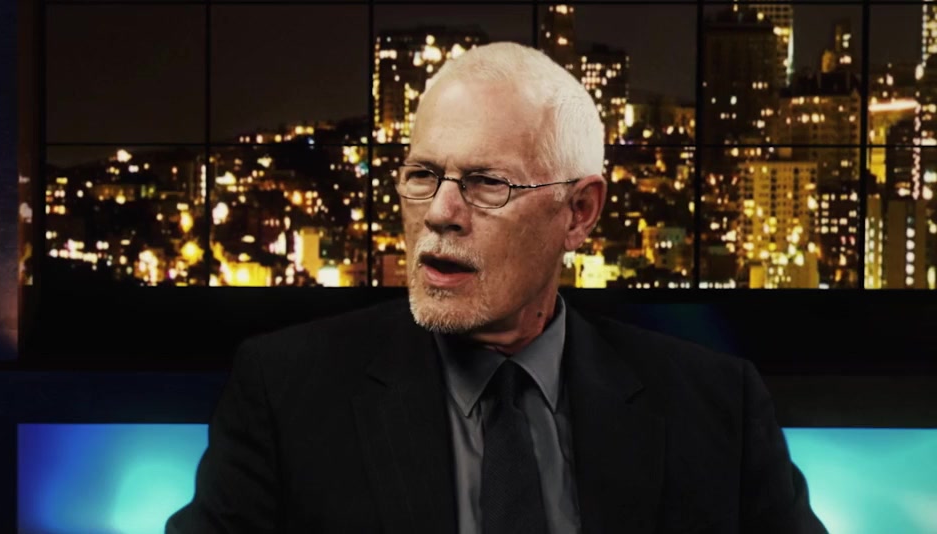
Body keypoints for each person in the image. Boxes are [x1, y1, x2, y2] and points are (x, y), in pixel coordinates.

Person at [166, 42, 827, 534]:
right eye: (422, 175)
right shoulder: (285, 394)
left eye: (487, 183)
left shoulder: (716, 408)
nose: (440, 213)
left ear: (579, 212)